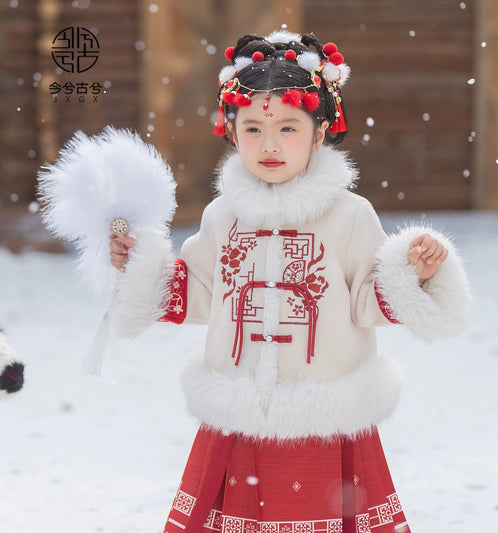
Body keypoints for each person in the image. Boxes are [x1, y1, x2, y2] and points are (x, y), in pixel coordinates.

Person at [110, 30, 470, 533]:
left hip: (324, 411)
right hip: (239, 408)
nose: (270, 144)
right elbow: (200, 293)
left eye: (288, 127)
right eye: (253, 128)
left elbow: (368, 299)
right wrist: (140, 266)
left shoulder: (348, 215)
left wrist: (417, 272)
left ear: (320, 133)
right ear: (232, 134)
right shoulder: (222, 216)